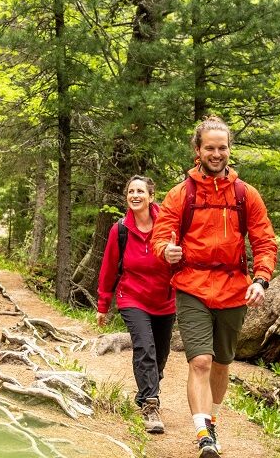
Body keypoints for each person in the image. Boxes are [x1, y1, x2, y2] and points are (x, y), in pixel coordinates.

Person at [151, 116, 277, 458]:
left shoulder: (245, 194)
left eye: (222, 148)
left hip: (234, 288)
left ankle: (212, 418)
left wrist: (261, 279)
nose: (217, 153)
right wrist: (167, 250)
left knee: (222, 364)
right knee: (201, 362)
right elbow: (160, 236)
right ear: (198, 150)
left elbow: (265, 241)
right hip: (192, 285)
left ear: (229, 150)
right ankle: (204, 433)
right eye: (210, 148)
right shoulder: (181, 194)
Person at [95, 175, 175, 434]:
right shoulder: (120, 230)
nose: (135, 195)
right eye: (131, 191)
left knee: (160, 355)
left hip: (165, 299)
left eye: (141, 191)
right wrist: (103, 305)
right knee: (144, 346)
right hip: (132, 297)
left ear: (151, 196)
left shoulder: (168, 224)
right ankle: (151, 405)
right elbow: (108, 269)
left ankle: (145, 391)